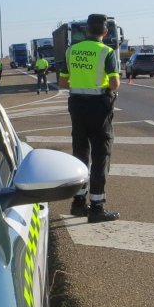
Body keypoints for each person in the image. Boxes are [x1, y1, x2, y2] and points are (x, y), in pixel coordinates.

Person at [59, 13, 120, 222]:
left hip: (77, 106)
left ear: (86, 31)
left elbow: (62, 83)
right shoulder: (107, 52)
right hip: (99, 108)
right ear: (105, 31)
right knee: (101, 154)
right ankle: (96, 207)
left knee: (80, 154)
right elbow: (114, 84)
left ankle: (78, 203)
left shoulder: (71, 51)